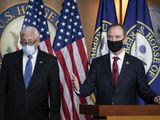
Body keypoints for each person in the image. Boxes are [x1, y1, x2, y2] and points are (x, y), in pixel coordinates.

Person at [72, 24, 160, 105]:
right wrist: (78, 88)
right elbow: (89, 87)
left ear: (125, 39)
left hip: (127, 114)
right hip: (102, 114)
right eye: (110, 37)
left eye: (117, 37)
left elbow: (143, 90)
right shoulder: (97, 63)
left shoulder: (136, 64)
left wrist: (155, 98)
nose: (113, 40)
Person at [0, 26, 60, 120]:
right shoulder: (9, 60)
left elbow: (55, 95)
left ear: (38, 41)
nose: (27, 45)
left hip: (39, 116)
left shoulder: (50, 62)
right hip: (12, 115)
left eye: (31, 41)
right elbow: (2, 92)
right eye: (24, 41)